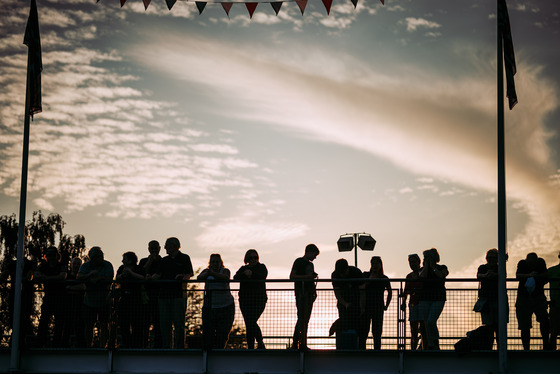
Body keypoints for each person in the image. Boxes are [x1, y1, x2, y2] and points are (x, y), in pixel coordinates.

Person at [149, 237, 193, 349]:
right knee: (164, 325)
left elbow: (189, 274)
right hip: (163, 296)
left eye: (166, 245)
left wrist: (182, 277)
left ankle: (179, 348)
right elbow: (157, 275)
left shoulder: (184, 258)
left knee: (179, 324)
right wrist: (149, 278)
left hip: (178, 295)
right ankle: (166, 348)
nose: (164, 248)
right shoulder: (164, 260)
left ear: (174, 246)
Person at [77, 246, 114, 348]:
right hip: (89, 301)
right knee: (89, 325)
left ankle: (103, 346)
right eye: (97, 256)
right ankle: (88, 345)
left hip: (104, 300)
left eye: (101, 255)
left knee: (104, 324)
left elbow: (109, 278)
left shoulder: (107, 265)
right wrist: (90, 275)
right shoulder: (86, 266)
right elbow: (79, 276)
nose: (100, 258)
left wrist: (97, 279)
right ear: (92, 257)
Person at [198, 253, 235, 349]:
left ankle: (220, 351)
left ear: (221, 263)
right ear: (210, 263)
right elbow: (199, 278)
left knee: (222, 334)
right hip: (210, 307)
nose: (215, 264)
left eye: (217, 262)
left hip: (226, 306)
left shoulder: (225, 271)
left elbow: (226, 278)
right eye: (213, 262)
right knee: (208, 333)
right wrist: (208, 273)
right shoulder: (206, 271)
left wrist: (212, 274)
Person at [233, 249, 268, 349]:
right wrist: (245, 274)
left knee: (251, 321)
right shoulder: (243, 269)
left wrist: (251, 274)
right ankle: (252, 346)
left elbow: (263, 276)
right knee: (249, 323)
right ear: (247, 259)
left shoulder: (261, 267)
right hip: (245, 300)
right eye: (251, 258)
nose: (253, 259)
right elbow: (236, 277)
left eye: (255, 257)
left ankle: (259, 342)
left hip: (259, 299)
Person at [515, 252, 550, 350]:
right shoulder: (522, 263)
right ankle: (527, 348)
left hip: (535, 297)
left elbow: (546, 275)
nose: (531, 264)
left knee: (543, 321)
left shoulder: (540, 262)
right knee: (525, 325)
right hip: (525, 297)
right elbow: (518, 275)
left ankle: (545, 345)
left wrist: (533, 276)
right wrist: (531, 275)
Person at [35, 246, 67, 347]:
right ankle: (40, 343)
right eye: (49, 255)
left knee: (59, 323)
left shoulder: (61, 265)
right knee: (44, 321)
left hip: (60, 298)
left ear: (57, 256)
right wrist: (53, 278)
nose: (51, 257)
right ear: (46, 256)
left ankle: (57, 344)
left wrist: (46, 278)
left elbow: (62, 276)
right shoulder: (43, 266)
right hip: (48, 297)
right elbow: (36, 275)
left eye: (53, 255)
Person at [289, 243, 320, 351]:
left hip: (309, 294)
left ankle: (300, 342)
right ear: (309, 252)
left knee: (304, 319)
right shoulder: (299, 261)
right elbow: (292, 276)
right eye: (314, 255)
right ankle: (298, 343)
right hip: (301, 293)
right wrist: (307, 277)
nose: (315, 257)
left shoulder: (310, 265)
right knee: (302, 318)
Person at [418, 248, 448, 350]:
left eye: (427, 257)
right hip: (425, 298)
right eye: (424, 257)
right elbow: (422, 277)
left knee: (431, 321)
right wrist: (426, 266)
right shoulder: (422, 269)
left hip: (438, 298)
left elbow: (441, 276)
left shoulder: (442, 267)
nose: (425, 259)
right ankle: (431, 344)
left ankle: (435, 341)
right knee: (427, 322)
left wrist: (433, 267)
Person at [115, 251, 146, 348]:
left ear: (130, 260)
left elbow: (142, 278)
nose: (122, 261)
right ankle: (126, 343)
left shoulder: (139, 268)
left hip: (136, 300)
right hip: (124, 299)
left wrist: (131, 273)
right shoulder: (121, 268)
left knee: (136, 323)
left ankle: (136, 344)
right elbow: (117, 278)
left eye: (125, 259)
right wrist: (123, 275)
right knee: (124, 323)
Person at [360, 256, 391, 350]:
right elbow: (361, 287)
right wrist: (370, 280)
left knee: (377, 331)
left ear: (380, 265)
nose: (374, 265)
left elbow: (390, 291)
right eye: (373, 263)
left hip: (378, 306)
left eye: (377, 263)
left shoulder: (384, 278)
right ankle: (362, 350)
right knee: (364, 329)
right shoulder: (366, 275)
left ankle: (377, 350)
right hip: (366, 306)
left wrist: (386, 305)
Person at [475, 248, 504, 347]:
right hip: (486, 301)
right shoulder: (482, 267)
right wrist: (487, 275)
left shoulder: (500, 267)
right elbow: (479, 275)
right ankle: (489, 347)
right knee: (488, 327)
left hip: (498, 300)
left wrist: (492, 275)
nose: (491, 259)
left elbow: (503, 276)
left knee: (499, 326)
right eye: (490, 257)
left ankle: (500, 347)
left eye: (494, 257)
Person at [139, 240, 163, 348]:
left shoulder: (163, 261)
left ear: (159, 248)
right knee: (145, 323)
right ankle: (143, 345)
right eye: (151, 248)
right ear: (148, 249)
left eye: (155, 248)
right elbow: (141, 272)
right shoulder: (143, 260)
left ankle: (158, 346)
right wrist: (149, 261)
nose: (154, 250)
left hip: (159, 296)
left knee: (158, 324)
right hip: (146, 297)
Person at [331, 259, 363, 337]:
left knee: (356, 323)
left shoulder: (356, 272)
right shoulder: (335, 275)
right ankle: (343, 342)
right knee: (344, 321)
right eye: (340, 274)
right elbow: (337, 293)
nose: (342, 275)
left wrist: (362, 306)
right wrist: (345, 304)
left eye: (343, 273)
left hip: (356, 300)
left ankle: (356, 345)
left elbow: (362, 291)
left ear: (347, 269)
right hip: (343, 300)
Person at [400, 254, 426, 350]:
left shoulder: (423, 273)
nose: (412, 264)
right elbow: (405, 291)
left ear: (418, 262)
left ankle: (424, 347)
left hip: (422, 303)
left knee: (423, 328)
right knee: (413, 329)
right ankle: (413, 348)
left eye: (414, 262)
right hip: (413, 303)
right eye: (410, 262)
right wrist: (403, 302)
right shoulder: (409, 276)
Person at [62, 257, 85, 347]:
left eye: (78, 264)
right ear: (71, 265)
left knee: (79, 325)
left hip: (79, 304)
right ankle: (64, 344)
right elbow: (63, 288)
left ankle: (80, 345)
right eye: (74, 264)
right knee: (67, 324)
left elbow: (83, 287)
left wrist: (70, 288)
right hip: (67, 304)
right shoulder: (67, 275)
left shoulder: (82, 275)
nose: (76, 266)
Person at [548, 252, 560, 350]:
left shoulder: (552, 270)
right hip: (555, 304)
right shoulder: (552, 271)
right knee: (553, 330)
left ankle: (552, 349)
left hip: (555, 304)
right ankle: (552, 349)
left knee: (553, 331)